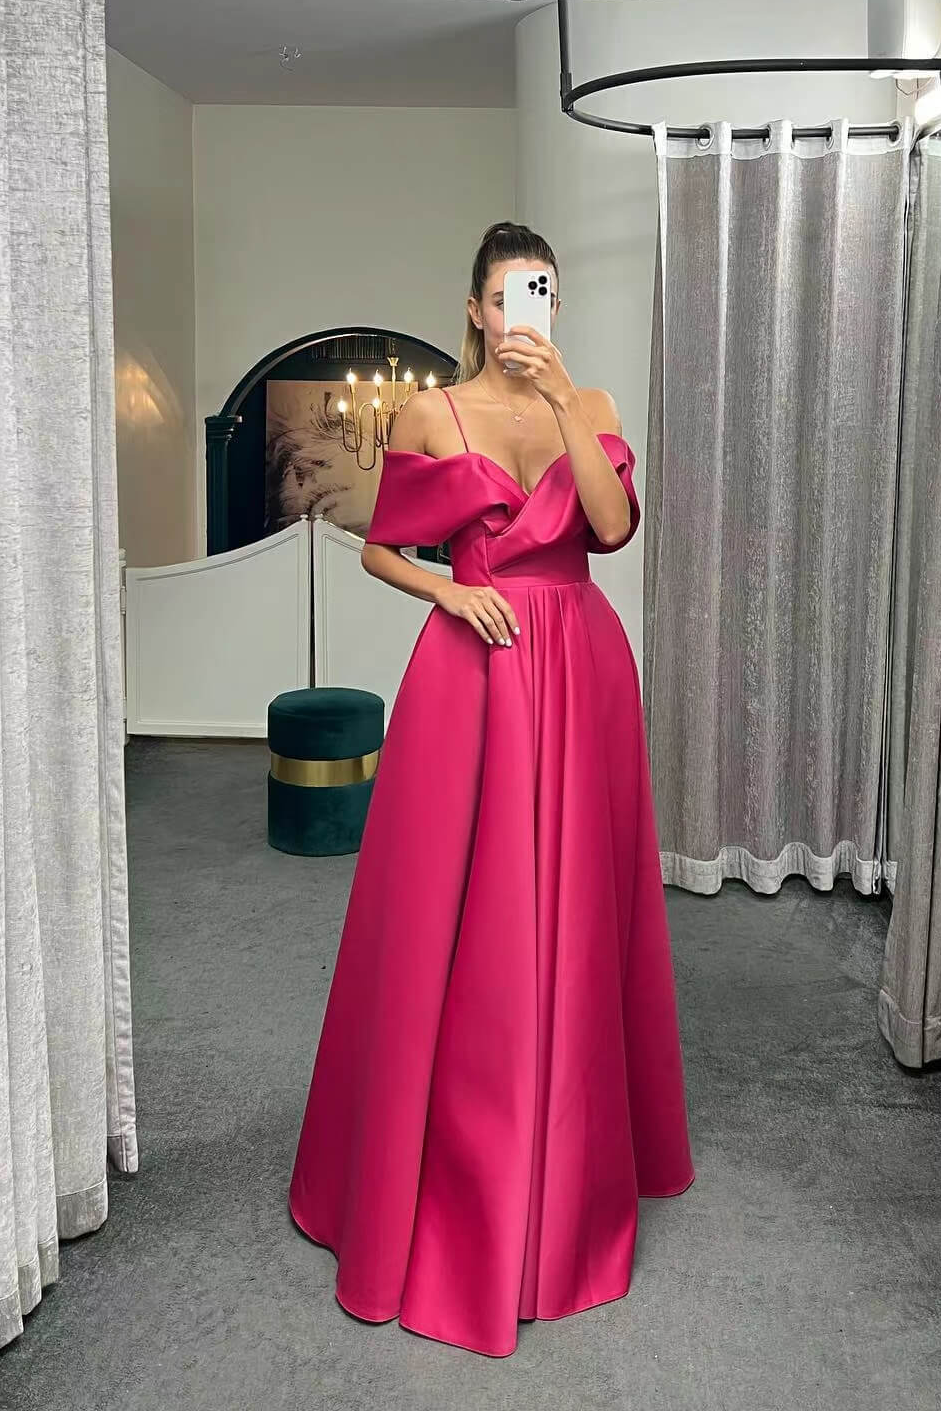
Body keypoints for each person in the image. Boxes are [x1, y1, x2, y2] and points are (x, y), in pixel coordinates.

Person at [287, 220, 695, 1357]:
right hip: (472, 668)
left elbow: (610, 529)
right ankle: (439, 1173)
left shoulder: (591, 403)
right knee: (446, 914)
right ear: (475, 309)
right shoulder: (432, 412)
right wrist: (450, 592)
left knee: (573, 905)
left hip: (580, 665)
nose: (526, 311)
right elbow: (380, 548)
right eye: (509, 294)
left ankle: (565, 1170)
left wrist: (564, 400)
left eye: (542, 292)